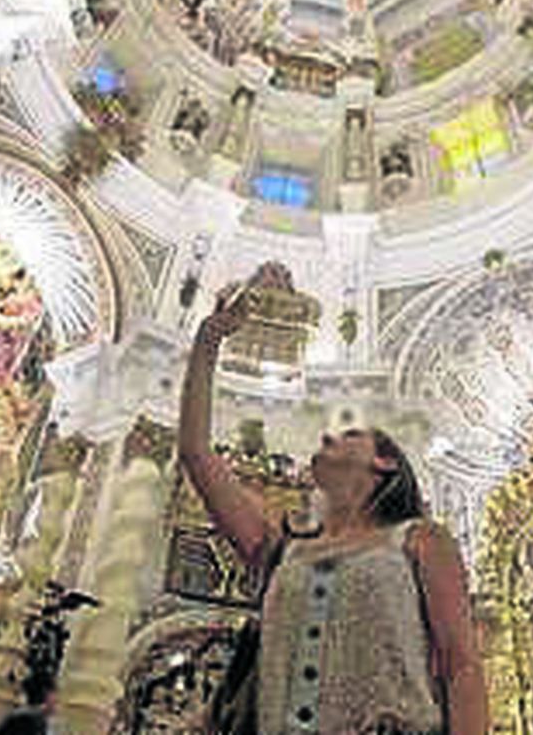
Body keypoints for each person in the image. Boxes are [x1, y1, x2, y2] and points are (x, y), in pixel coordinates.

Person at [181, 282, 489, 734]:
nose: (326, 437)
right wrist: (208, 341)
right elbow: (196, 454)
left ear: (384, 462)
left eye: (348, 435)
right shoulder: (281, 552)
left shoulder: (419, 539)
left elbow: (461, 664)